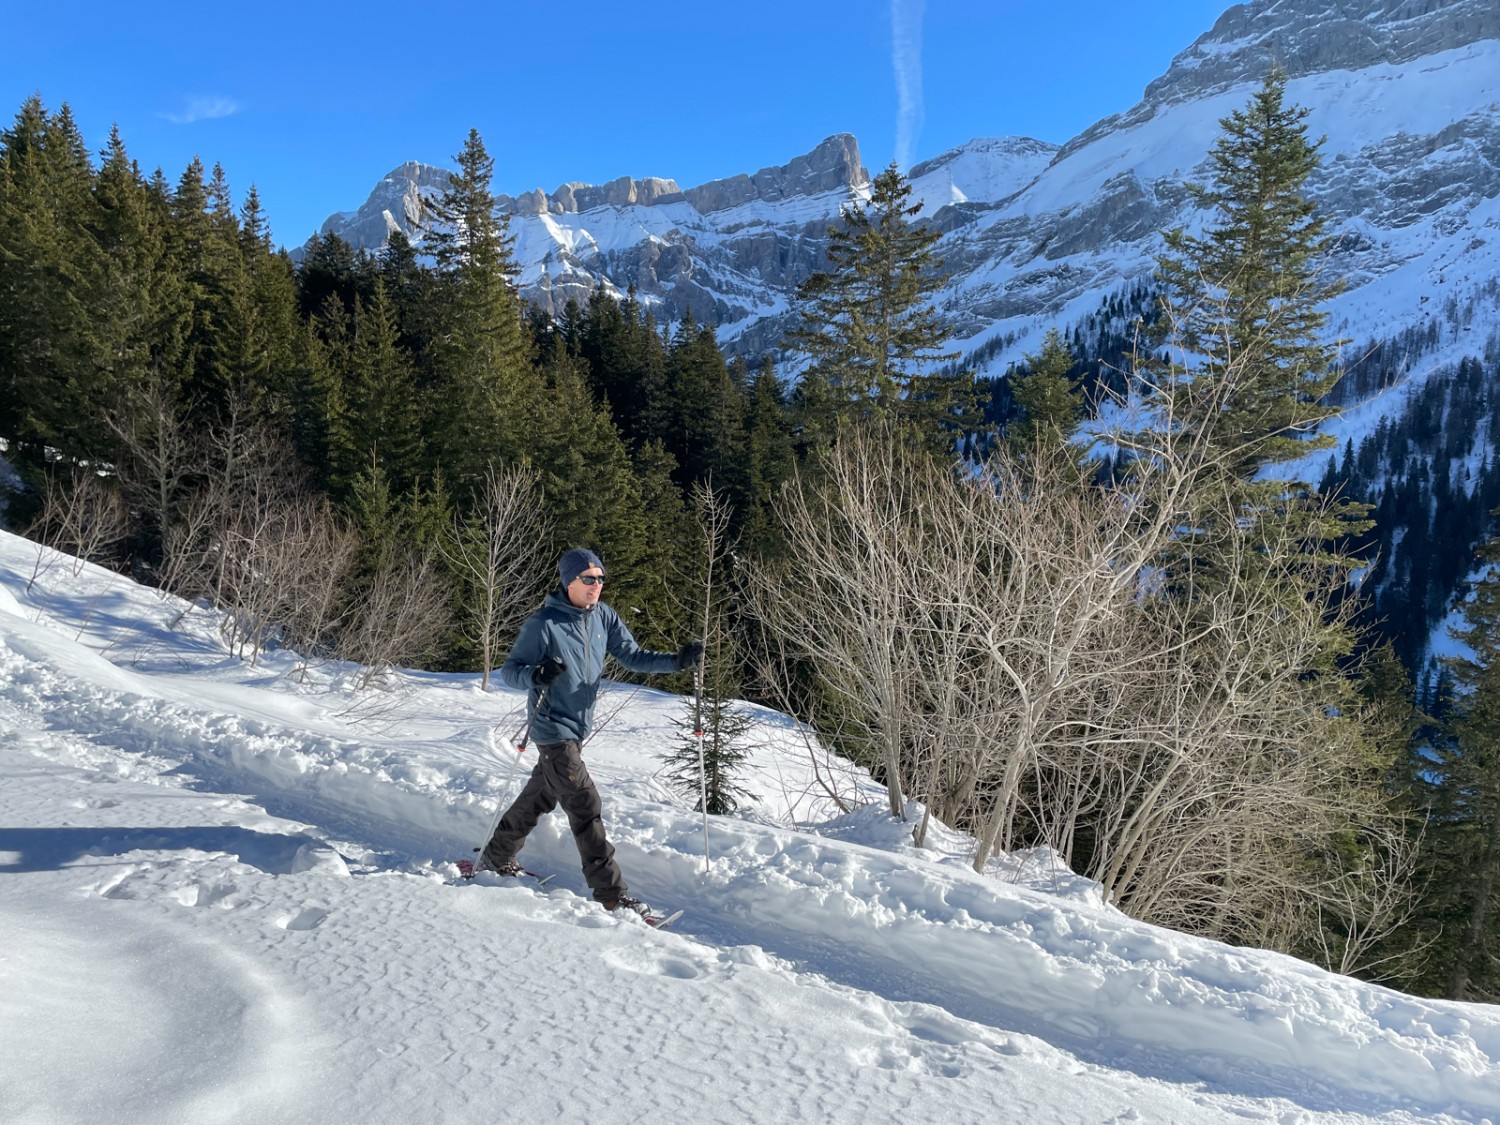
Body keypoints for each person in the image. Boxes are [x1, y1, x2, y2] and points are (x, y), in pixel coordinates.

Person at [477, 547, 704, 918]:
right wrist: (536, 674)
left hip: (578, 728)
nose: (596, 585)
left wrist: (676, 662)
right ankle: (611, 895)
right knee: (585, 804)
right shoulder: (545, 623)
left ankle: (497, 855)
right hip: (551, 727)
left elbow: (633, 656)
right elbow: (511, 670)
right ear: (569, 581)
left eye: (600, 578)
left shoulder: (605, 617)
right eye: (588, 578)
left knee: (541, 795)